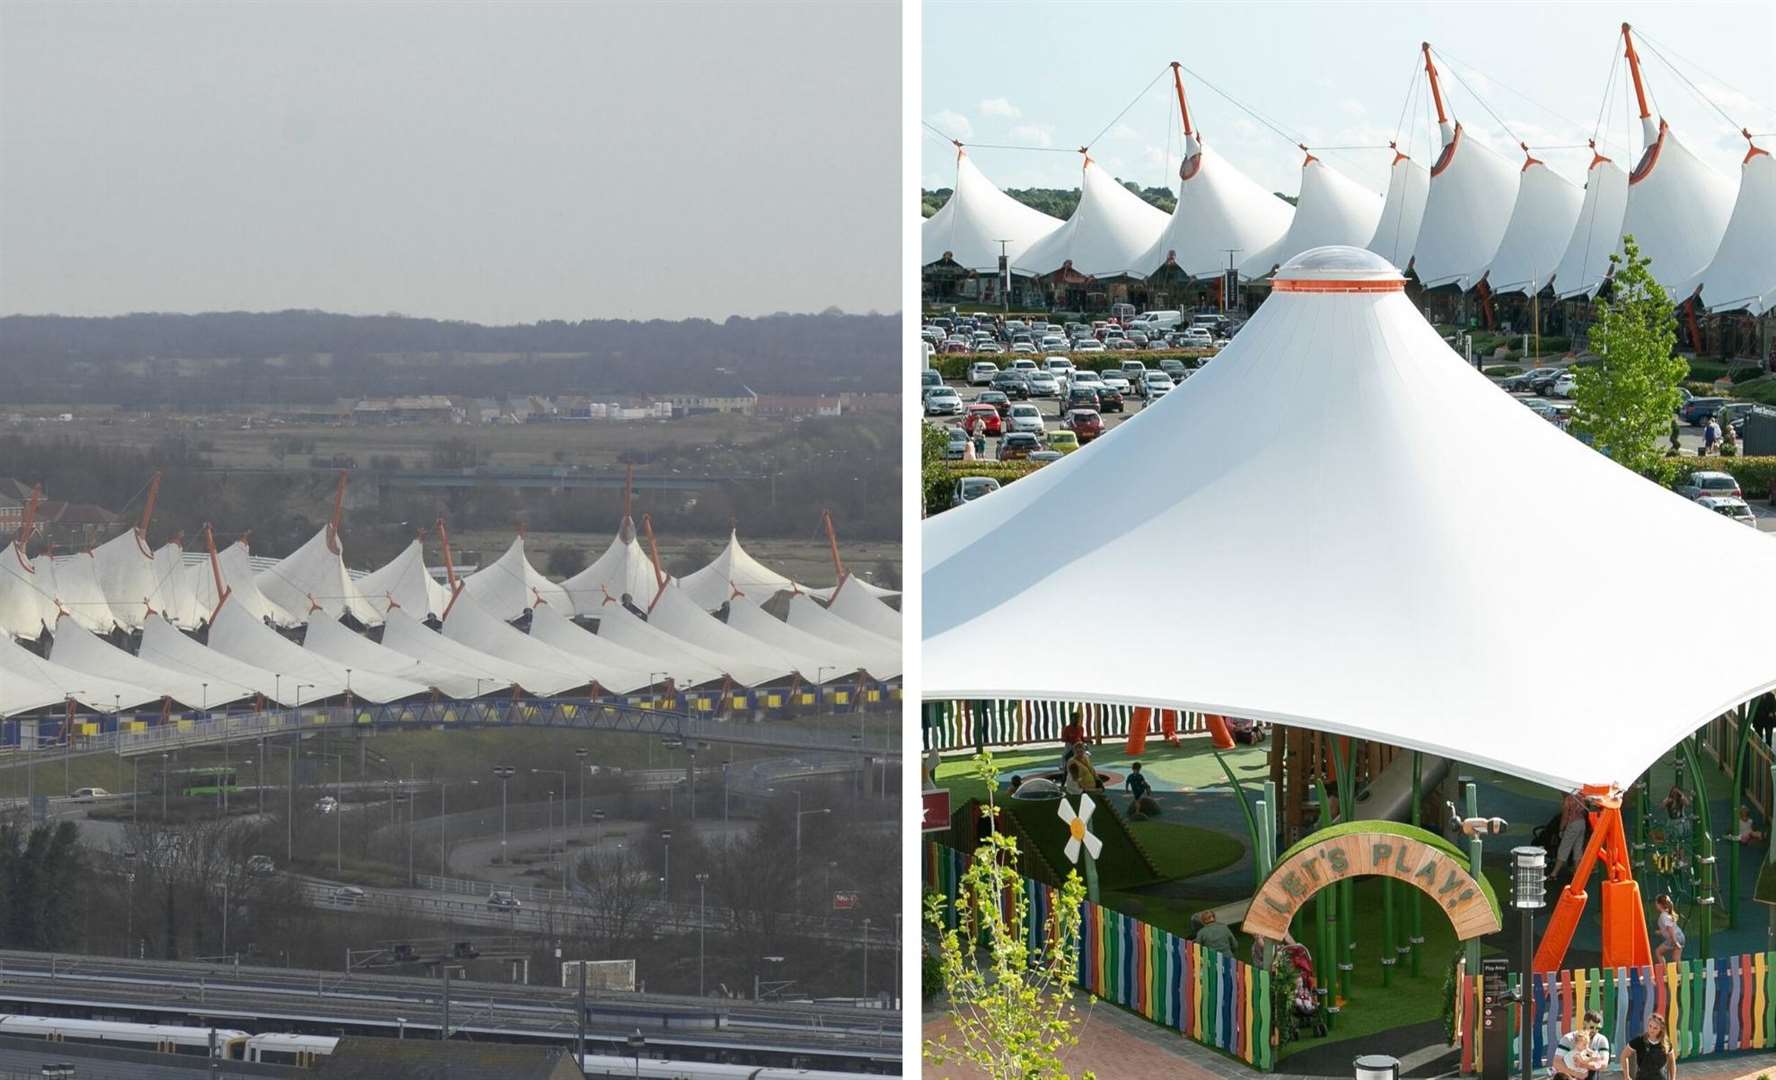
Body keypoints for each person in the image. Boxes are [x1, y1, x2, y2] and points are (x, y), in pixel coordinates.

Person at [1552, 1010, 1610, 1080]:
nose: (1594, 1030)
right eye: (1592, 1027)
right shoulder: (1568, 1038)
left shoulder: (1602, 1040)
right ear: (1584, 1024)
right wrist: (1576, 1074)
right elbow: (1557, 1062)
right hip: (1568, 1073)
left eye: (1597, 1028)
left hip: (1588, 1074)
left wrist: (1584, 1065)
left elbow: (1604, 1064)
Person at [1548, 791, 1589, 880]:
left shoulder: (1568, 800)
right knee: (1578, 849)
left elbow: (1565, 817)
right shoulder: (1580, 797)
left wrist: (1561, 829)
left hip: (1573, 824)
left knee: (1564, 848)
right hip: (1582, 823)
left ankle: (1553, 874)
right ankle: (1578, 874)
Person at [1622, 1013, 1674, 1080]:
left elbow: (1672, 1062)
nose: (1652, 1030)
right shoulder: (1639, 1041)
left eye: (1655, 1028)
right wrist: (1626, 1076)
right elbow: (1624, 1056)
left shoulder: (1666, 1043)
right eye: (1650, 1026)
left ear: (1661, 1029)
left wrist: (1673, 1078)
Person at [1653, 893, 1685, 964]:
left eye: (1656, 903)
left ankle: (1665, 973)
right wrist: (1660, 932)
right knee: (1676, 959)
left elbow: (1670, 929)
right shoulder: (1668, 913)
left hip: (1674, 937)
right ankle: (1682, 974)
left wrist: (1675, 941)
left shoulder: (1663, 915)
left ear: (1659, 905)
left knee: (1658, 952)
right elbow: (1668, 928)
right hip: (1680, 936)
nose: (1655, 905)